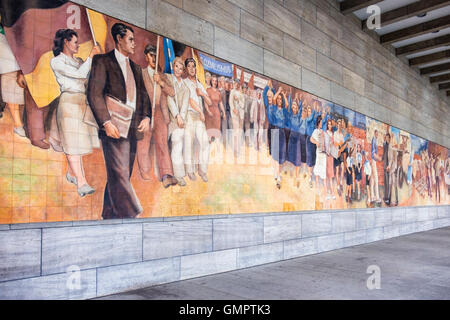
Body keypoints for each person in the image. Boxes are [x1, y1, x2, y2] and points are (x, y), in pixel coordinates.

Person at [87, 23, 151, 219]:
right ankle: (133, 213)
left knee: (120, 174)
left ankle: (109, 214)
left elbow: (145, 97)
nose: (134, 44)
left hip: (132, 127)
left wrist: (147, 117)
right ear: (119, 39)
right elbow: (94, 94)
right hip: (113, 126)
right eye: (130, 40)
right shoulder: (102, 61)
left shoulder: (136, 68)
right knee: (120, 174)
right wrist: (106, 122)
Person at [49, 29, 101, 197]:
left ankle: (71, 173)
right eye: (75, 42)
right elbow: (79, 75)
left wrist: (97, 60)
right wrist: (92, 56)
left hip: (82, 103)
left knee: (78, 143)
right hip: (69, 103)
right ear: (66, 42)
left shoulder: (79, 61)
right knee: (72, 144)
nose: (78, 45)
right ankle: (82, 182)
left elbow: (89, 78)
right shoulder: (56, 62)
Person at [136, 44, 177, 187]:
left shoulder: (162, 76)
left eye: (155, 55)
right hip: (145, 112)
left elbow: (172, 92)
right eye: (150, 55)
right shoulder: (141, 73)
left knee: (162, 144)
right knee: (143, 142)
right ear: (146, 57)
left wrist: (160, 82)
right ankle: (144, 171)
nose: (153, 58)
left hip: (160, 112)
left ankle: (166, 175)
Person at [183, 57, 212, 182]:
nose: (192, 69)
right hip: (190, 114)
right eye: (189, 66)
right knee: (189, 143)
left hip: (199, 117)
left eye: (193, 66)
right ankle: (190, 171)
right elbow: (189, 100)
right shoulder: (184, 82)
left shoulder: (199, 83)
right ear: (186, 69)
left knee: (204, 142)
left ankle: (202, 171)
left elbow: (209, 102)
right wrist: (201, 111)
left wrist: (202, 94)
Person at [167, 56, 190, 186]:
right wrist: (177, 115)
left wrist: (181, 117)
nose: (178, 70)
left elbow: (185, 106)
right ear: (173, 66)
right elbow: (170, 100)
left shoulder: (185, 88)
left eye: (181, 68)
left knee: (179, 146)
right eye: (176, 67)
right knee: (173, 147)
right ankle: (174, 174)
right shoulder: (169, 81)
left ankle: (180, 174)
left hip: (180, 122)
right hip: (170, 119)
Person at [265, 86, 288, 189]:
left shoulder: (283, 110)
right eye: (278, 99)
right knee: (275, 154)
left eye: (280, 100)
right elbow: (273, 99)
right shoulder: (273, 108)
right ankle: (278, 176)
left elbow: (287, 104)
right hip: (275, 131)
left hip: (282, 132)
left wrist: (283, 94)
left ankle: (277, 172)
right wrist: (278, 91)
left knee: (281, 155)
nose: (279, 100)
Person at [205, 75, 225, 143]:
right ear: (211, 81)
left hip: (217, 113)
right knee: (209, 133)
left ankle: (215, 148)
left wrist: (224, 113)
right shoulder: (208, 90)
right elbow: (205, 102)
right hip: (210, 112)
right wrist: (208, 111)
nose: (214, 82)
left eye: (216, 81)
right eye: (213, 80)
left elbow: (221, 103)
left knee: (216, 132)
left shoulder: (218, 92)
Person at [311, 115, 326, 198]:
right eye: (320, 122)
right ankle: (317, 189)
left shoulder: (323, 131)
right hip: (319, 153)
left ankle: (324, 190)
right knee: (317, 170)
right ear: (318, 123)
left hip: (323, 153)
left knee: (323, 170)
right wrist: (316, 142)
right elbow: (311, 139)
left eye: (322, 122)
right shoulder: (316, 131)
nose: (321, 124)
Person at [229, 78, 245, 157]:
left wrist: (238, 100)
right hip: (235, 114)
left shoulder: (241, 94)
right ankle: (235, 150)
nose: (236, 85)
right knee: (236, 132)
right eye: (234, 83)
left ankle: (238, 149)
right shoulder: (232, 91)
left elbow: (243, 105)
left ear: (239, 84)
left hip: (241, 115)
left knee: (240, 132)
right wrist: (233, 109)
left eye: (237, 83)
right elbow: (230, 102)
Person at [306, 103, 319, 188]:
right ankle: (310, 177)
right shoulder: (307, 119)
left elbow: (316, 120)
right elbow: (311, 118)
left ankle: (311, 175)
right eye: (309, 111)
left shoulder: (313, 120)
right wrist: (314, 109)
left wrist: (317, 111)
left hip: (314, 141)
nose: (310, 112)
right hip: (309, 140)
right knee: (310, 159)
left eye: (311, 111)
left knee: (314, 158)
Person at [324, 118, 336, 200]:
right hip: (326, 155)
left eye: (330, 124)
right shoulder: (325, 133)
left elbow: (334, 145)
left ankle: (332, 192)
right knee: (326, 174)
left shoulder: (332, 134)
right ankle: (327, 192)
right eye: (328, 124)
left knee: (330, 174)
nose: (329, 125)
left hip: (331, 156)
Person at [371, 129, 382, 203]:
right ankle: (377, 197)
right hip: (373, 161)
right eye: (376, 134)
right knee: (376, 179)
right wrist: (379, 158)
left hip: (373, 161)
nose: (377, 135)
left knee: (372, 179)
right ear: (375, 133)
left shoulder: (374, 140)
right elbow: (373, 153)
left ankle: (372, 197)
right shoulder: (374, 140)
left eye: (378, 134)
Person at [382, 132, 391, 205]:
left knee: (388, 183)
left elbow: (391, 158)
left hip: (388, 167)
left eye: (388, 138)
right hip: (385, 166)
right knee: (385, 183)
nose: (387, 139)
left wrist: (389, 166)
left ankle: (388, 199)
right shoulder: (385, 145)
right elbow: (384, 154)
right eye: (386, 138)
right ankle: (385, 197)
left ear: (390, 138)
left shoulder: (390, 146)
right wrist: (381, 159)